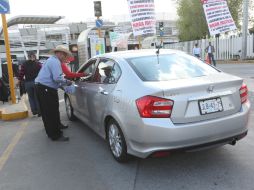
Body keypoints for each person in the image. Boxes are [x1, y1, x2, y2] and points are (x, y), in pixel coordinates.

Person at [35, 45, 73, 142]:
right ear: (60, 54)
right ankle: (55, 135)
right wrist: (67, 82)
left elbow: (53, 78)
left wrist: (61, 86)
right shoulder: (55, 62)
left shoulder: (51, 60)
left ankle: (56, 127)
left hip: (44, 88)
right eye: (65, 55)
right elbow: (57, 78)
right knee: (50, 112)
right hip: (45, 89)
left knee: (51, 110)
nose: (65, 58)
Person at [18, 52, 41, 116]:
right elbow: (42, 72)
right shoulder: (38, 64)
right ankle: (39, 111)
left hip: (28, 83)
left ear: (28, 57)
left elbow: (21, 74)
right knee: (37, 97)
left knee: (31, 97)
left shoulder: (24, 64)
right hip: (36, 82)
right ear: (34, 56)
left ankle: (34, 111)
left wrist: (19, 81)